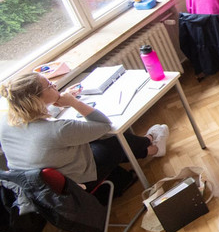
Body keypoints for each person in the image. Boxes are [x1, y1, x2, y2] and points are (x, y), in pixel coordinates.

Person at [0, 73, 168, 191]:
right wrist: (73, 102)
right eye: (49, 86)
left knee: (90, 137)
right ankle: (151, 145)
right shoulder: (57, 130)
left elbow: (41, 123)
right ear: (35, 99)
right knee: (112, 139)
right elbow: (104, 125)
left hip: (39, 187)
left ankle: (146, 148)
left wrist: (55, 101)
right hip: (74, 185)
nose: (55, 85)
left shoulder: (6, 119)